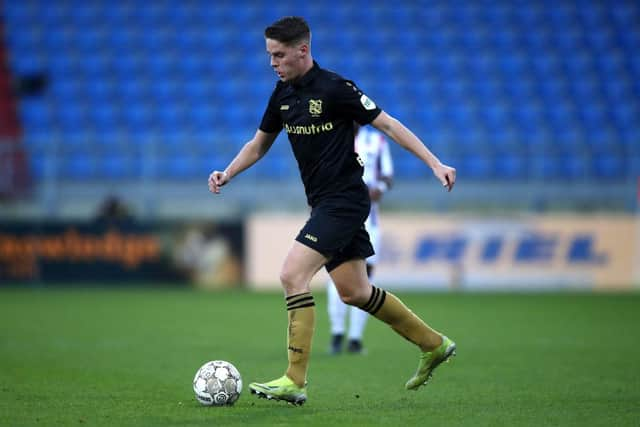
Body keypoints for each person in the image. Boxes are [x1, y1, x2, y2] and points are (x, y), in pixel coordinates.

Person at [208, 16, 457, 405]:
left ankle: (294, 379)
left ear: (302, 50)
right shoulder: (282, 95)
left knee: (292, 275)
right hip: (324, 203)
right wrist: (229, 172)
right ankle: (434, 344)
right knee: (355, 291)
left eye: (279, 55)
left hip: (345, 201)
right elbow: (259, 145)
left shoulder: (336, 89)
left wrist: (434, 163)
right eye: (269, 55)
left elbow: (388, 126)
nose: (273, 62)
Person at [327, 124, 394, 355]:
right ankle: (337, 333)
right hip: (337, 217)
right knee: (336, 274)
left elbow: (387, 175)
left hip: (369, 221)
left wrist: (380, 188)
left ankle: (355, 338)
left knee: (365, 279)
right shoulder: (331, 136)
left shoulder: (377, 141)